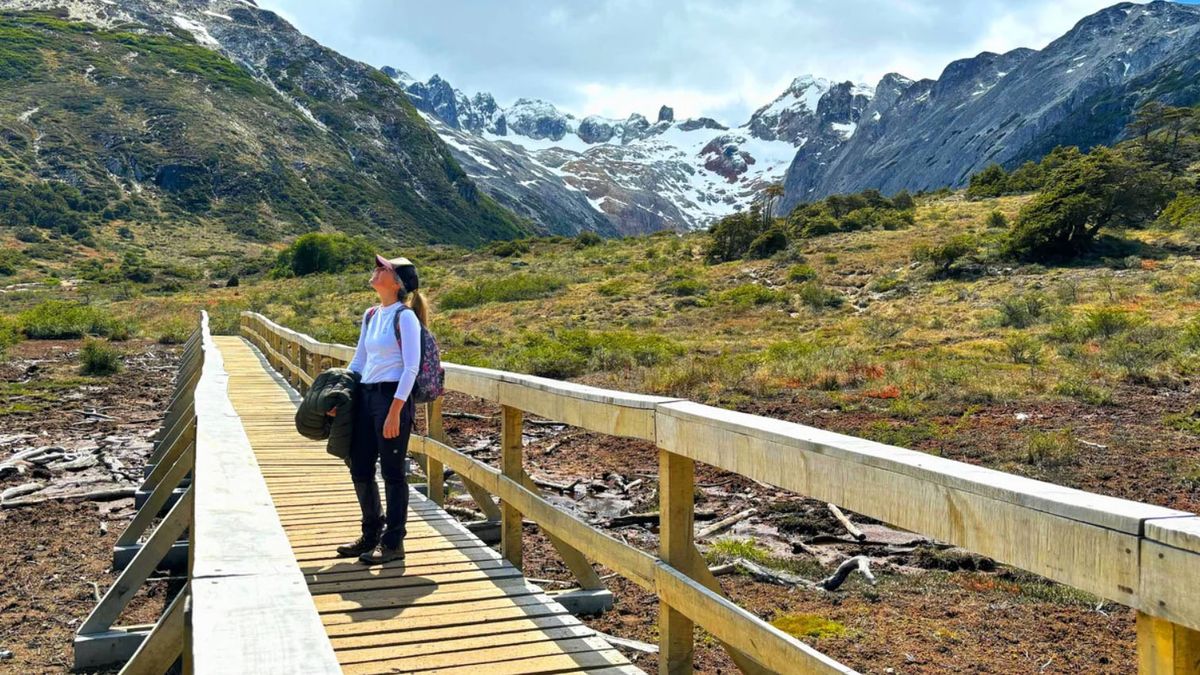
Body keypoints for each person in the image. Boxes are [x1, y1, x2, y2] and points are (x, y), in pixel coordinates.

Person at [327, 254, 429, 564]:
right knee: (359, 465)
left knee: (393, 473)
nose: (376, 270)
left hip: (391, 397)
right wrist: (339, 393)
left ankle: (393, 543)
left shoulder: (405, 317)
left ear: (396, 283)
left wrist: (396, 411)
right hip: (366, 397)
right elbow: (359, 360)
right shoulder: (371, 314)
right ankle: (370, 534)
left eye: (382, 268)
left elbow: (411, 367)